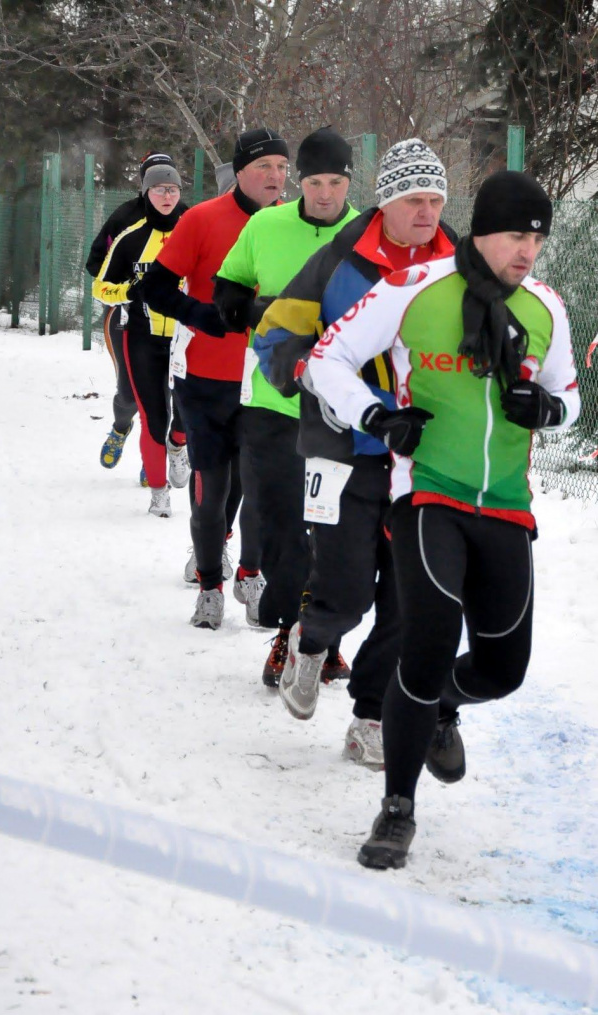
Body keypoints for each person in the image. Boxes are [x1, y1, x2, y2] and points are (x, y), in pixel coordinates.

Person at [307, 169, 580, 868]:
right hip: (427, 491)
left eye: (538, 239)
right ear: (484, 231)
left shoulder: (547, 305)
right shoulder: (412, 289)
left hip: (507, 507)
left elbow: (569, 395)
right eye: (518, 236)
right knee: (424, 643)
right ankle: (397, 806)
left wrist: (549, 411)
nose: (529, 251)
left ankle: (439, 708)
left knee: (502, 667)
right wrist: (376, 414)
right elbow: (325, 358)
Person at [253, 138, 456, 768]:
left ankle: (371, 716)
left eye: (436, 199)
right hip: (343, 445)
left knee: (407, 597)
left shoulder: (459, 261)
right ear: (386, 202)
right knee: (345, 587)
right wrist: (316, 376)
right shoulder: (344, 258)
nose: (427, 212)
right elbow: (275, 334)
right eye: (413, 199)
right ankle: (311, 642)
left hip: (424, 453)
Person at [214, 127, 360, 688]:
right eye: (316, 181)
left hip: (342, 409)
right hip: (275, 401)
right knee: (281, 524)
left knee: (336, 530)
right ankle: (289, 631)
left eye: (337, 181)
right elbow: (226, 293)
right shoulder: (265, 225)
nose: (325, 192)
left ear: (350, 182)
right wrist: (265, 313)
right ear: (300, 183)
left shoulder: (367, 233)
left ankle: (314, 640)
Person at [142, 128, 289, 629]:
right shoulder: (203, 218)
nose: (275, 176)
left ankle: (250, 573)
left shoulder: (294, 226)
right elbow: (154, 287)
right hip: (205, 378)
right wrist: (202, 317)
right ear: (239, 171)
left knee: (257, 487)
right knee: (212, 489)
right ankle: (209, 584)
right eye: (263, 166)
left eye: (281, 167)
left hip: (268, 382)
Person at [92, 163, 190, 517]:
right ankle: (158, 489)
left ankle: (178, 446)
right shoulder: (130, 236)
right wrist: (130, 291)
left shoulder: (194, 230)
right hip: (141, 336)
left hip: (186, 337)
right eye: (159, 189)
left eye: (173, 189)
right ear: (147, 193)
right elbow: (100, 286)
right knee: (151, 412)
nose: (167, 196)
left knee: (187, 409)